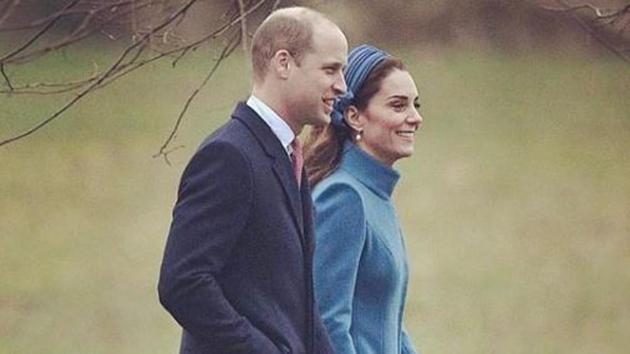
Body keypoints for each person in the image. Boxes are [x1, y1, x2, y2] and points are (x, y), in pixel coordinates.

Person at [158, 7, 347, 354]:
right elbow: (183, 283)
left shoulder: (289, 157)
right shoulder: (229, 156)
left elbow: (298, 303)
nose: (342, 86)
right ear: (283, 63)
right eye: (330, 69)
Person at [304, 45, 422, 354]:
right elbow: (327, 324)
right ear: (355, 116)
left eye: (415, 105)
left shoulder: (376, 195)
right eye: (398, 106)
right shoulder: (344, 196)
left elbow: (390, 325)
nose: (415, 118)